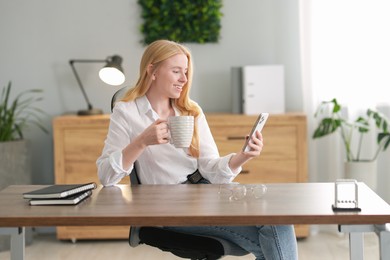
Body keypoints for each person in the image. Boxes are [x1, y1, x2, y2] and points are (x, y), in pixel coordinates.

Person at [96, 39, 298, 259]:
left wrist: (243, 156)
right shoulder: (126, 112)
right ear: (152, 71)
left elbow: (210, 167)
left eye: (185, 72)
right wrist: (141, 142)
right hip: (168, 206)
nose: (184, 79)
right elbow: (106, 176)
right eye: (176, 71)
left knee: (278, 218)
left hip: (206, 191)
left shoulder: (190, 110)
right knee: (269, 237)